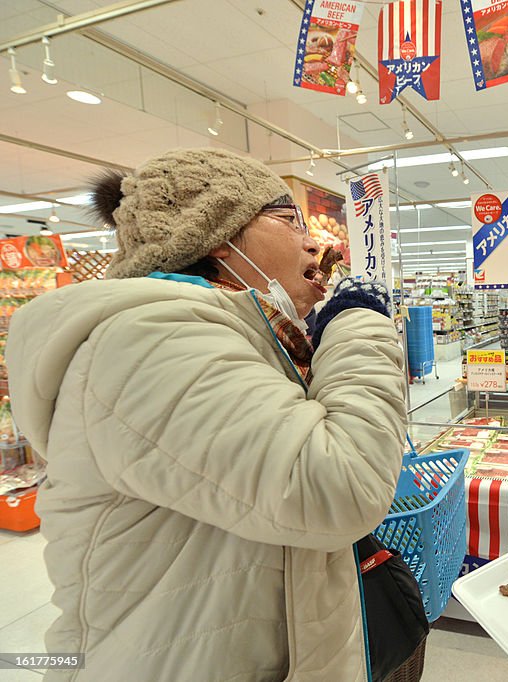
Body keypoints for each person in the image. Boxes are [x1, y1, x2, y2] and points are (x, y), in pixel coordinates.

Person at [5, 148, 409, 681]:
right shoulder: (145, 340)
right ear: (216, 233)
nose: (314, 242)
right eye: (290, 221)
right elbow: (338, 486)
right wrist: (359, 323)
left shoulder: (240, 337)